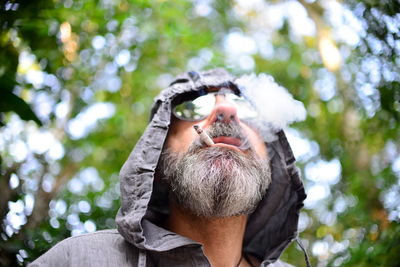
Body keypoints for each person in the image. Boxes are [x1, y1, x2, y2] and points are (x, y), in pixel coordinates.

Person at [30, 68, 308, 267]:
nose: (226, 111)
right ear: (157, 158)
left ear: (272, 165)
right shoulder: (78, 260)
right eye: (192, 106)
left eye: (243, 105)